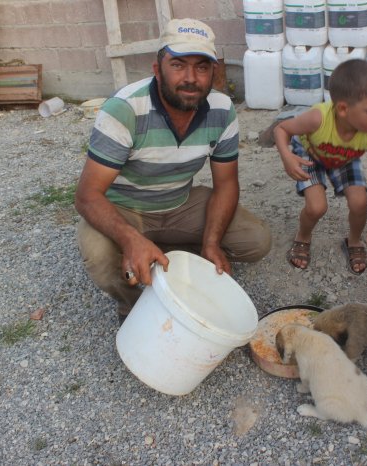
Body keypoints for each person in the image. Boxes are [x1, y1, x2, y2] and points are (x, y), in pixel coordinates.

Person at [75, 18, 271, 315]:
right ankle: (135, 308)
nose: (191, 78)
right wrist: (129, 238)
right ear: (158, 70)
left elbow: (227, 184)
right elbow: (87, 195)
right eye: (178, 65)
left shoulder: (221, 109)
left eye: (201, 67)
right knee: (100, 259)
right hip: (125, 208)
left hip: (180, 203)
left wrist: (212, 242)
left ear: (213, 72)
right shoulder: (126, 109)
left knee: (256, 241)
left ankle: (161, 253)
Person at [273, 59, 367, 274]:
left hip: (344, 158)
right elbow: (281, 129)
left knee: (360, 202)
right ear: (343, 109)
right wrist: (287, 156)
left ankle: (353, 241)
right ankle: (303, 236)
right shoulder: (318, 118)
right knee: (316, 207)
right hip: (311, 154)